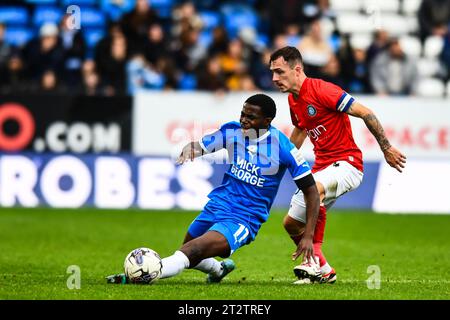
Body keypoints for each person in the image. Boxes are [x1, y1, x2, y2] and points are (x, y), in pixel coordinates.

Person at [106, 93, 320, 284]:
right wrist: (192, 149)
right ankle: (218, 269)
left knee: (192, 251)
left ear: (267, 121)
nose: (244, 120)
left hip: (244, 218)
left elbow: (311, 191)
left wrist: (308, 236)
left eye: (251, 117)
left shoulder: (283, 148)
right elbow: (206, 144)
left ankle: (144, 273)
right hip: (218, 204)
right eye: (242, 114)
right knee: (188, 251)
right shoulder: (233, 130)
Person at [269, 46, 406, 284]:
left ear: (297, 69)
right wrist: (284, 162)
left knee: (316, 190)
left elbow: (366, 112)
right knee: (291, 223)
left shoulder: (323, 90)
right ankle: (324, 270)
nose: (274, 79)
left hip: (348, 163)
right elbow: (301, 129)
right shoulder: (293, 100)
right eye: (273, 73)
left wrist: (386, 148)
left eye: (280, 72)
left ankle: (310, 260)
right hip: (322, 166)